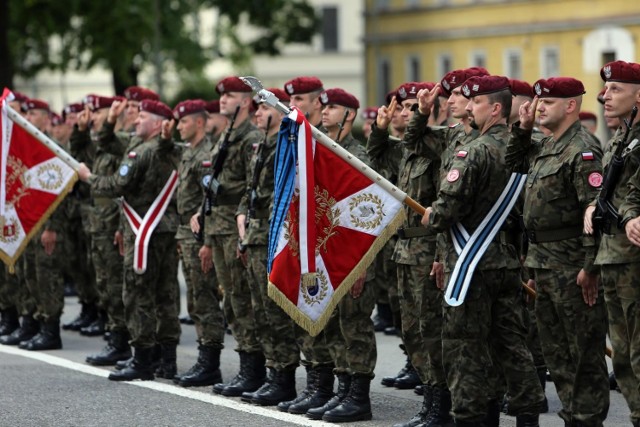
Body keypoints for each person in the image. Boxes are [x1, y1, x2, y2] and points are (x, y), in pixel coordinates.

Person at [420, 75, 544, 427]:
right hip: (506, 261)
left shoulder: (472, 151)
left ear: (495, 108)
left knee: (466, 350)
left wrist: (431, 214)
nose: (467, 107)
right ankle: (527, 416)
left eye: (474, 102)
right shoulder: (523, 149)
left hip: (471, 266)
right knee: (511, 346)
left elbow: (445, 213)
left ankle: (473, 418)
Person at [508, 77, 609, 426]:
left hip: (572, 268)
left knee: (583, 355)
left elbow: (594, 213)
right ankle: (572, 416)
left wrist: (590, 267)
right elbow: (513, 163)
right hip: (544, 263)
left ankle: (587, 419)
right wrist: (522, 128)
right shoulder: (545, 145)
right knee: (557, 354)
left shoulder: (582, 149)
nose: (539, 109)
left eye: (547, 103)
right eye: (537, 102)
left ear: (570, 106)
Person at [78, 99, 182, 381]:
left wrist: (90, 177)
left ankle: (143, 360)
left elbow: (118, 185)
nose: (135, 120)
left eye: (143, 117)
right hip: (165, 227)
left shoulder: (142, 152)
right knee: (166, 294)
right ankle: (167, 360)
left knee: (138, 295)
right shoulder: (169, 150)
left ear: (159, 124)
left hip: (144, 231)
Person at [191, 76, 265, 396]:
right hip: (217, 226)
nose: (222, 101)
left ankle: (254, 370)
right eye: (221, 97)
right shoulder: (228, 135)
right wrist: (200, 213)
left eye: (230, 96)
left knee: (243, 299)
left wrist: (241, 226)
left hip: (235, 229)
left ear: (246, 101)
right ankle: (247, 366)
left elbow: (252, 187)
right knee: (232, 301)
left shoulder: (251, 138)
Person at [584, 60, 640, 427]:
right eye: (606, 89)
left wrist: (631, 214)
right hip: (612, 255)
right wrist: (594, 204)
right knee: (621, 355)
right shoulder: (621, 137)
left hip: (633, 256)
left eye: (616, 89)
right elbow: (614, 191)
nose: (605, 96)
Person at [237, 88, 301, 406]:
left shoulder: (285, 145)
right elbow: (250, 189)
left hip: (273, 235)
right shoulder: (259, 145)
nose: (257, 114)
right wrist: (241, 218)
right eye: (255, 110)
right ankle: (271, 373)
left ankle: (284, 378)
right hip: (255, 233)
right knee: (261, 310)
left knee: (276, 311)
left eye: (262, 109)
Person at [70, 96, 131, 366]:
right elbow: (79, 157)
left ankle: (122, 340)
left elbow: (121, 189)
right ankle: (114, 336)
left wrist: (120, 226)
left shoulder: (122, 142)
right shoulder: (100, 145)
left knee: (116, 284)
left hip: (114, 221)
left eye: (99, 112)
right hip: (99, 223)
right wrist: (80, 132)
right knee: (105, 283)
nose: (92, 116)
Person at [170, 99, 225, 387]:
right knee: (194, 300)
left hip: (199, 237)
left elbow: (208, 201)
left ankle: (210, 362)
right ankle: (204, 358)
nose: (179, 126)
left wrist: (205, 241)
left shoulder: (206, 155)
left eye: (184, 121)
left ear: (200, 123)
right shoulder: (189, 152)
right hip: (186, 237)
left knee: (205, 300)